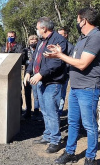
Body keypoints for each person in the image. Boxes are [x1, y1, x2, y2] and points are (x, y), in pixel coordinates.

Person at [44, 8, 100, 165]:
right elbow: (74, 59)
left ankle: (90, 157)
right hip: (76, 88)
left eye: (78, 19)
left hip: (89, 88)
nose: (77, 22)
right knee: (73, 123)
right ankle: (70, 152)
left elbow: (83, 64)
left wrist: (60, 56)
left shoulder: (96, 37)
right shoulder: (83, 38)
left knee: (89, 125)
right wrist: (60, 52)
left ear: (84, 20)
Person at [24, 17, 67, 153]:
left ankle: (55, 140)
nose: (36, 31)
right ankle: (48, 135)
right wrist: (28, 72)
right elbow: (35, 59)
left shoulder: (59, 40)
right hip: (41, 81)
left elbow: (56, 62)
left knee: (51, 111)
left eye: (37, 28)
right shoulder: (41, 42)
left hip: (52, 82)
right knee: (45, 110)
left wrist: (41, 74)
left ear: (44, 28)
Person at [57, 27, 74, 116]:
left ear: (66, 35)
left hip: (64, 75)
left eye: (61, 34)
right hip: (54, 75)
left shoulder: (70, 47)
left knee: (61, 95)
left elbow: (71, 61)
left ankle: (59, 113)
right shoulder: (54, 45)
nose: (58, 36)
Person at [26, 35, 40, 119]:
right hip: (27, 76)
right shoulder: (25, 51)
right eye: (31, 42)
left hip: (35, 76)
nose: (33, 44)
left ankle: (36, 112)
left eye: (35, 42)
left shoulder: (39, 51)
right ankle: (28, 112)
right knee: (27, 95)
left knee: (36, 95)